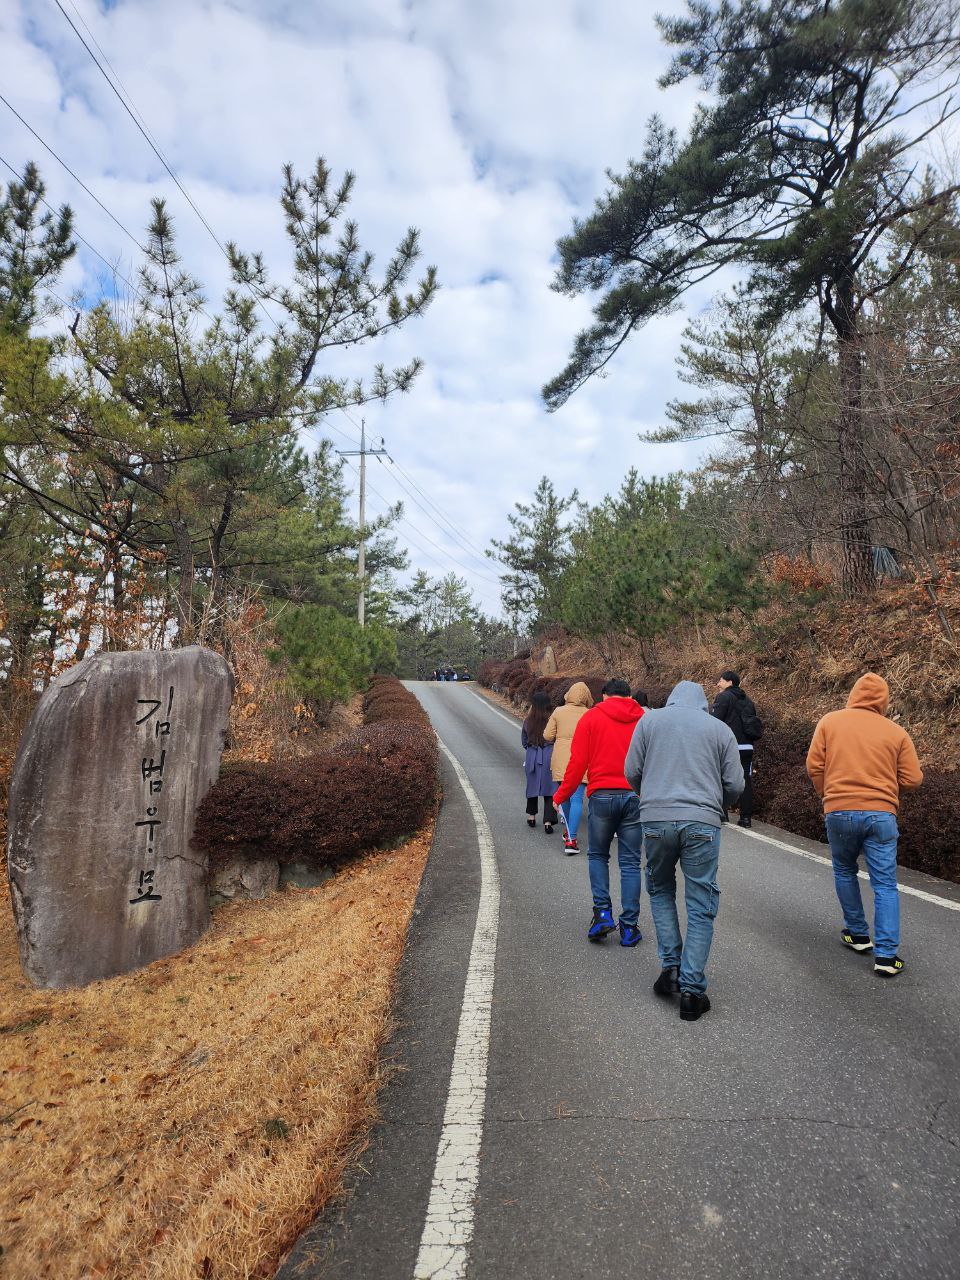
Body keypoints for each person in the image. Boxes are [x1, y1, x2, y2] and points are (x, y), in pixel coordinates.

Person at [625, 681, 744, 1022]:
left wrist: (651, 798)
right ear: (704, 703)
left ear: (672, 700)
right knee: (701, 902)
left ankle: (671, 969)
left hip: (655, 819)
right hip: (703, 823)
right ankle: (692, 991)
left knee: (661, 889)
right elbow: (735, 784)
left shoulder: (648, 722)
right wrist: (716, 805)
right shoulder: (720, 730)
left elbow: (631, 770)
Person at [806, 672, 922, 978]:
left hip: (839, 809)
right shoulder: (896, 732)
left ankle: (857, 935)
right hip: (881, 815)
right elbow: (913, 779)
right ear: (883, 701)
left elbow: (814, 765)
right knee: (884, 883)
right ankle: (886, 955)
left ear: (853, 694)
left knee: (844, 869)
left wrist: (827, 794)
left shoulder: (830, 722)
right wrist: (888, 790)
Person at [554, 678, 645, 947]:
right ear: (629, 696)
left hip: (602, 795)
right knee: (629, 863)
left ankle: (603, 914)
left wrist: (561, 796)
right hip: (634, 796)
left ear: (604, 695)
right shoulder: (643, 719)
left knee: (598, 855)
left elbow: (577, 762)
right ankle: (629, 927)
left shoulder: (591, 718)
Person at [544, 681, 594, 854]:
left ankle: (568, 832)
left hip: (560, 760)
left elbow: (547, 735)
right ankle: (571, 839)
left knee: (563, 797)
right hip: (581, 760)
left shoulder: (559, 711)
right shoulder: (590, 714)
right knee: (577, 799)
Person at [712, 670, 760, 827]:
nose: (718, 684)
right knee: (745, 779)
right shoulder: (748, 700)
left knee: (722, 777)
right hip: (747, 746)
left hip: (729, 746)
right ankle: (745, 818)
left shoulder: (723, 697)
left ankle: (723, 814)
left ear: (729, 682)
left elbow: (715, 722)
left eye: (721, 681)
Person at [522, 690, 558, 833]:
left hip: (532, 755)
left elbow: (524, 741)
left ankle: (531, 816)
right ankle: (548, 821)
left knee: (532, 787)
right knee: (550, 788)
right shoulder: (552, 720)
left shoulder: (528, 721)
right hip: (549, 754)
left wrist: (530, 749)